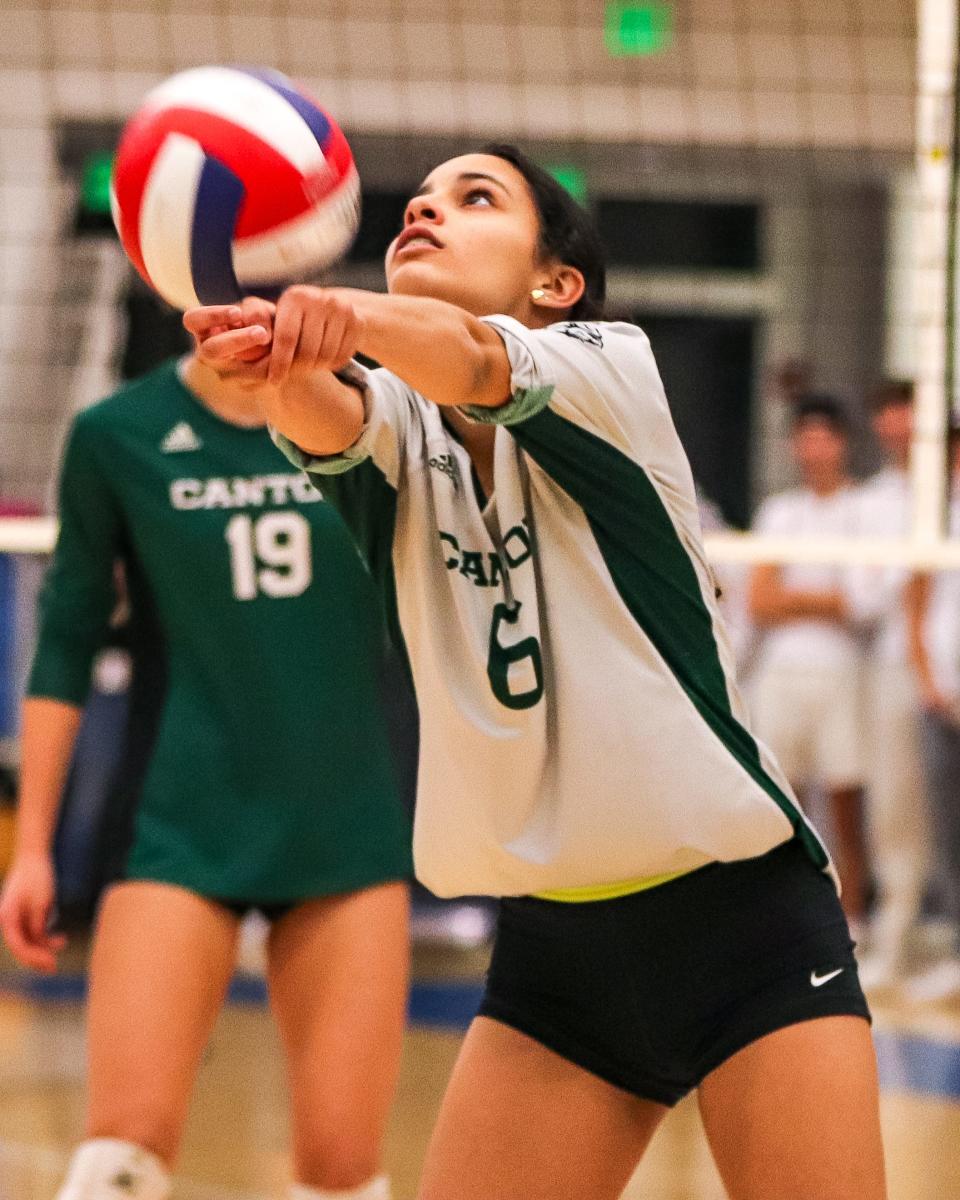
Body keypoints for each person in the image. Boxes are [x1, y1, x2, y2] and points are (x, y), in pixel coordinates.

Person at [185, 145, 886, 1200]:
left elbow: (468, 354)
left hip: (746, 928)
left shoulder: (607, 366)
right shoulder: (400, 426)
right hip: (557, 955)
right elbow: (328, 411)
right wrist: (280, 352)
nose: (425, 205)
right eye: (419, 198)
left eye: (476, 198)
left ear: (555, 285)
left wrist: (337, 316)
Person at [0, 352, 412, 1200]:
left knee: (343, 1168)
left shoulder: (385, 413)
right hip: (180, 822)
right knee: (123, 1152)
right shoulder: (119, 434)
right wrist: (33, 846)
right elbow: (67, 640)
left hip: (345, 826)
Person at [747, 397, 869, 926]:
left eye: (825, 436)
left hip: (842, 671)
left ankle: (854, 919)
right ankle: (787, 918)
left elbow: (862, 603)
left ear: (841, 443)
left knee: (845, 801)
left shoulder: (863, 511)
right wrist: (822, 601)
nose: (815, 448)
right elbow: (761, 600)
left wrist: (795, 599)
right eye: (806, 437)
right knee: (782, 799)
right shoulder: (780, 511)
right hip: (782, 672)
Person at [853, 380, 931, 989]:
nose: (899, 424)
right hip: (899, 666)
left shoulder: (950, 493)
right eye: (890, 414)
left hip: (943, 661)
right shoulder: (874, 501)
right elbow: (864, 595)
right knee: (895, 806)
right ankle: (897, 934)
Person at [902, 427, 960, 1003]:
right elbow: (914, 601)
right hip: (942, 698)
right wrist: (926, 677)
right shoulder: (934, 516)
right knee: (948, 831)